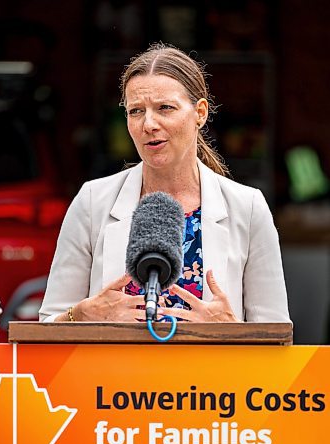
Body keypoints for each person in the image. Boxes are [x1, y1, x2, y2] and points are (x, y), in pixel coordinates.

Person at [39, 43, 290, 324]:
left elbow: (276, 336)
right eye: (136, 111)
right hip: (112, 369)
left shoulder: (248, 207)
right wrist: (80, 315)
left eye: (165, 108)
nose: (148, 124)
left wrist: (230, 331)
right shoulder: (92, 202)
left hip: (211, 370)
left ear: (200, 113)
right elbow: (49, 323)